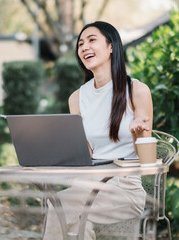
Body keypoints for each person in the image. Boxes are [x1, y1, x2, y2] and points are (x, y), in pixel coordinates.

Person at [43, 21, 153, 240]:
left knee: (61, 205)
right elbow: (85, 155)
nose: (84, 47)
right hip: (87, 184)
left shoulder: (136, 90)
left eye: (92, 40)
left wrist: (138, 133)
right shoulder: (77, 98)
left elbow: (147, 161)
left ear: (111, 46)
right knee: (71, 214)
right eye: (80, 43)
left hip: (124, 189)